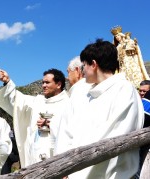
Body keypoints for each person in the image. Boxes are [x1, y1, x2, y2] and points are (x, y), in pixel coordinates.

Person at [56, 39, 144, 178]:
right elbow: (68, 131)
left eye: (84, 65)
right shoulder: (83, 93)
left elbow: (114, 140)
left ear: (94, 64)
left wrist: (76, 172)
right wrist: (62, 167)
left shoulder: (123, 90)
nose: (82, 71)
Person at [0, 68, 70, 167]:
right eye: (43, 82)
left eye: (47, 82)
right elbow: (17, 101)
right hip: (34, 157)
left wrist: (51, 125)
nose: (43, 85)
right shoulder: (38, 101)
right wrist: (7, 82)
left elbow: (71, 132)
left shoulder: (67, 104)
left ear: (59, 84)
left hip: (54, 159)